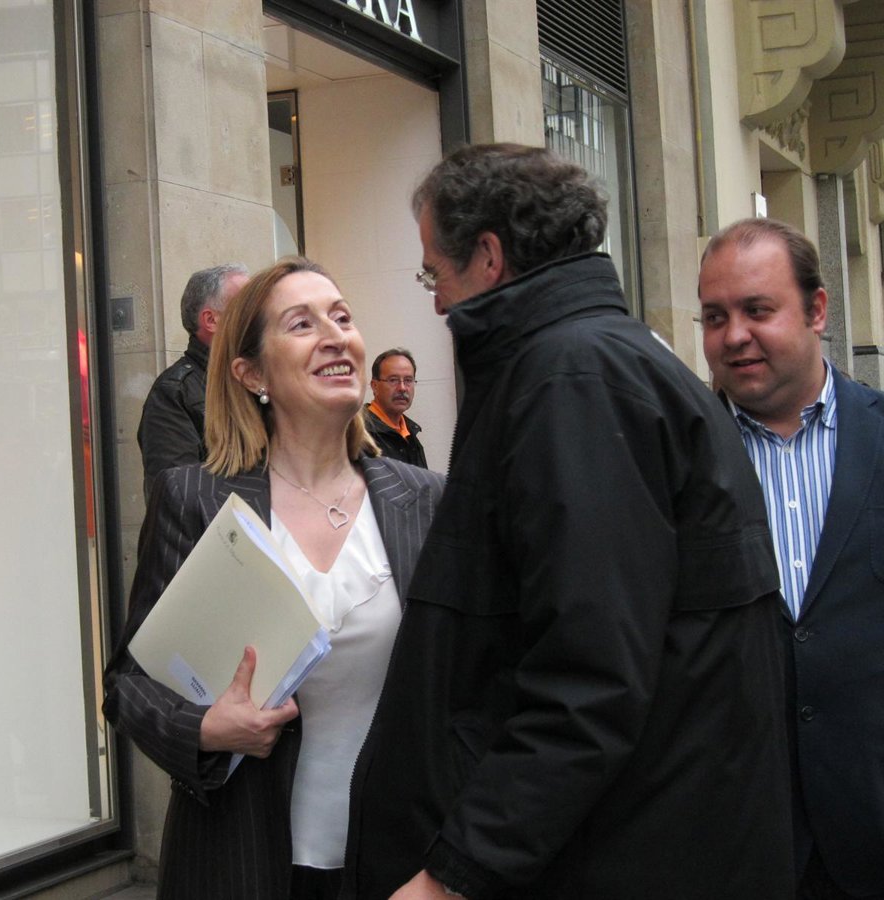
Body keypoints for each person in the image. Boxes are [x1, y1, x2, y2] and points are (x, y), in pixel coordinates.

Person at [341, 144, 793, 900]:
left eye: (433, 274)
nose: (437, 302)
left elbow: (589, 677)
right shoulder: (593, 361)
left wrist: (454, 875)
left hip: (621, 853)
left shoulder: (573, 379)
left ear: (489, 257)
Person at [104, 257, 444, 900]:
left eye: (342, 317)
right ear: (251, 373)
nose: (335, 335)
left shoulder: (426, 501)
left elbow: (471, 694)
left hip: (401, 866)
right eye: (302, 324)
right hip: (239, 861)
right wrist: (205, 730)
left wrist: (458, 866)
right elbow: (128, 684)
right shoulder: (196, 500)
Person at [699, 217, 884, 900]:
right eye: (715, 317)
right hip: (734, 846)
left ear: (817, 310)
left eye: (757, 309)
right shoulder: (672, 464)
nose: (734, 335)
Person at [137, 263, 249, 498]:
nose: (260, 315)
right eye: (247, 306)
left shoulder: (263, 379)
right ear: (211, 320)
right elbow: (177, 498)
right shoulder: (173, 394)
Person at [364, 348, 427, 468]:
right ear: (374, 386)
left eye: (408, 380)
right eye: (393, 380)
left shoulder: (410, 434)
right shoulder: (359, 434)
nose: (402, 388)